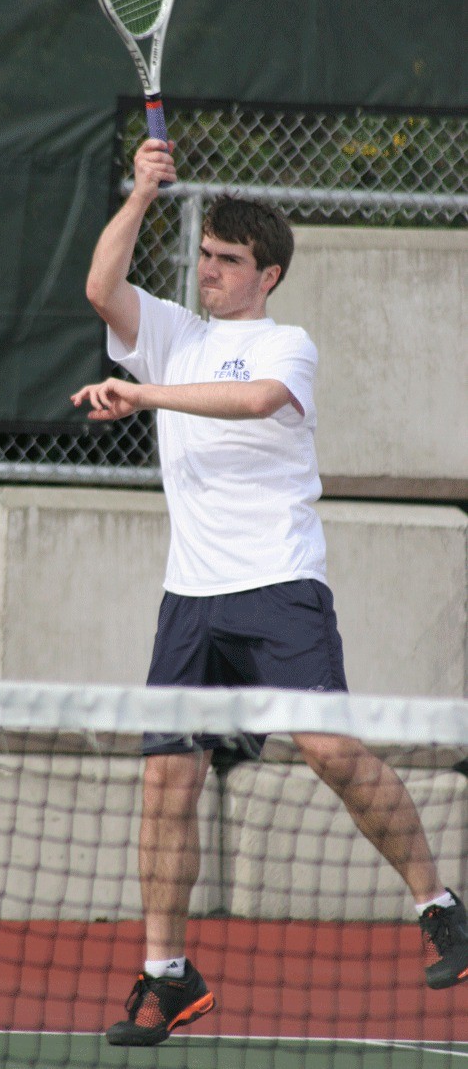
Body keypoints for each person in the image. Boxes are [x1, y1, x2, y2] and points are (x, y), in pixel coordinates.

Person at [70, 138, 468, 1047]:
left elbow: (254, 406)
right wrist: (139, 194)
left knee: (330, 750)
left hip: (280, 586)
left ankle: (441, 908)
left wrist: (146, 398)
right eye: (204, 256)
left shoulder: (287, 345)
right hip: (190, 600)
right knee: (167, 781)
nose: (209, 271)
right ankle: (169, 976)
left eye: (229, 261)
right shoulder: (171, 330)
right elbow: (101, 289)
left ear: (268, 273)